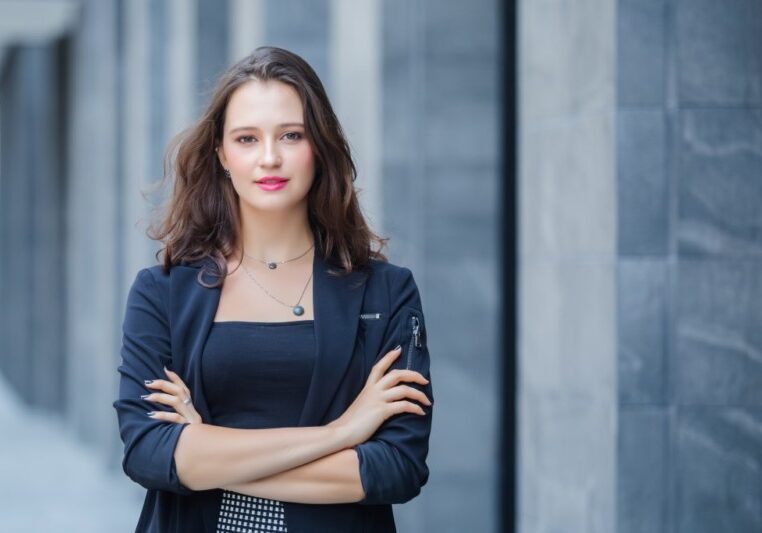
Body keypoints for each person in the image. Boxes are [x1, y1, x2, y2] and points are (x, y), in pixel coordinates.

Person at [112, 46, 434, 533]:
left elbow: (396, 468)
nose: (269, 158)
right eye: (247, 138)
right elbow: (150, 455)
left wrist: (207, 451)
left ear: (319, 147)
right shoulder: (162, 293)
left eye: (291, 135)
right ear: (222, 154)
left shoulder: (385, 293)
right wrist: (342, 433)